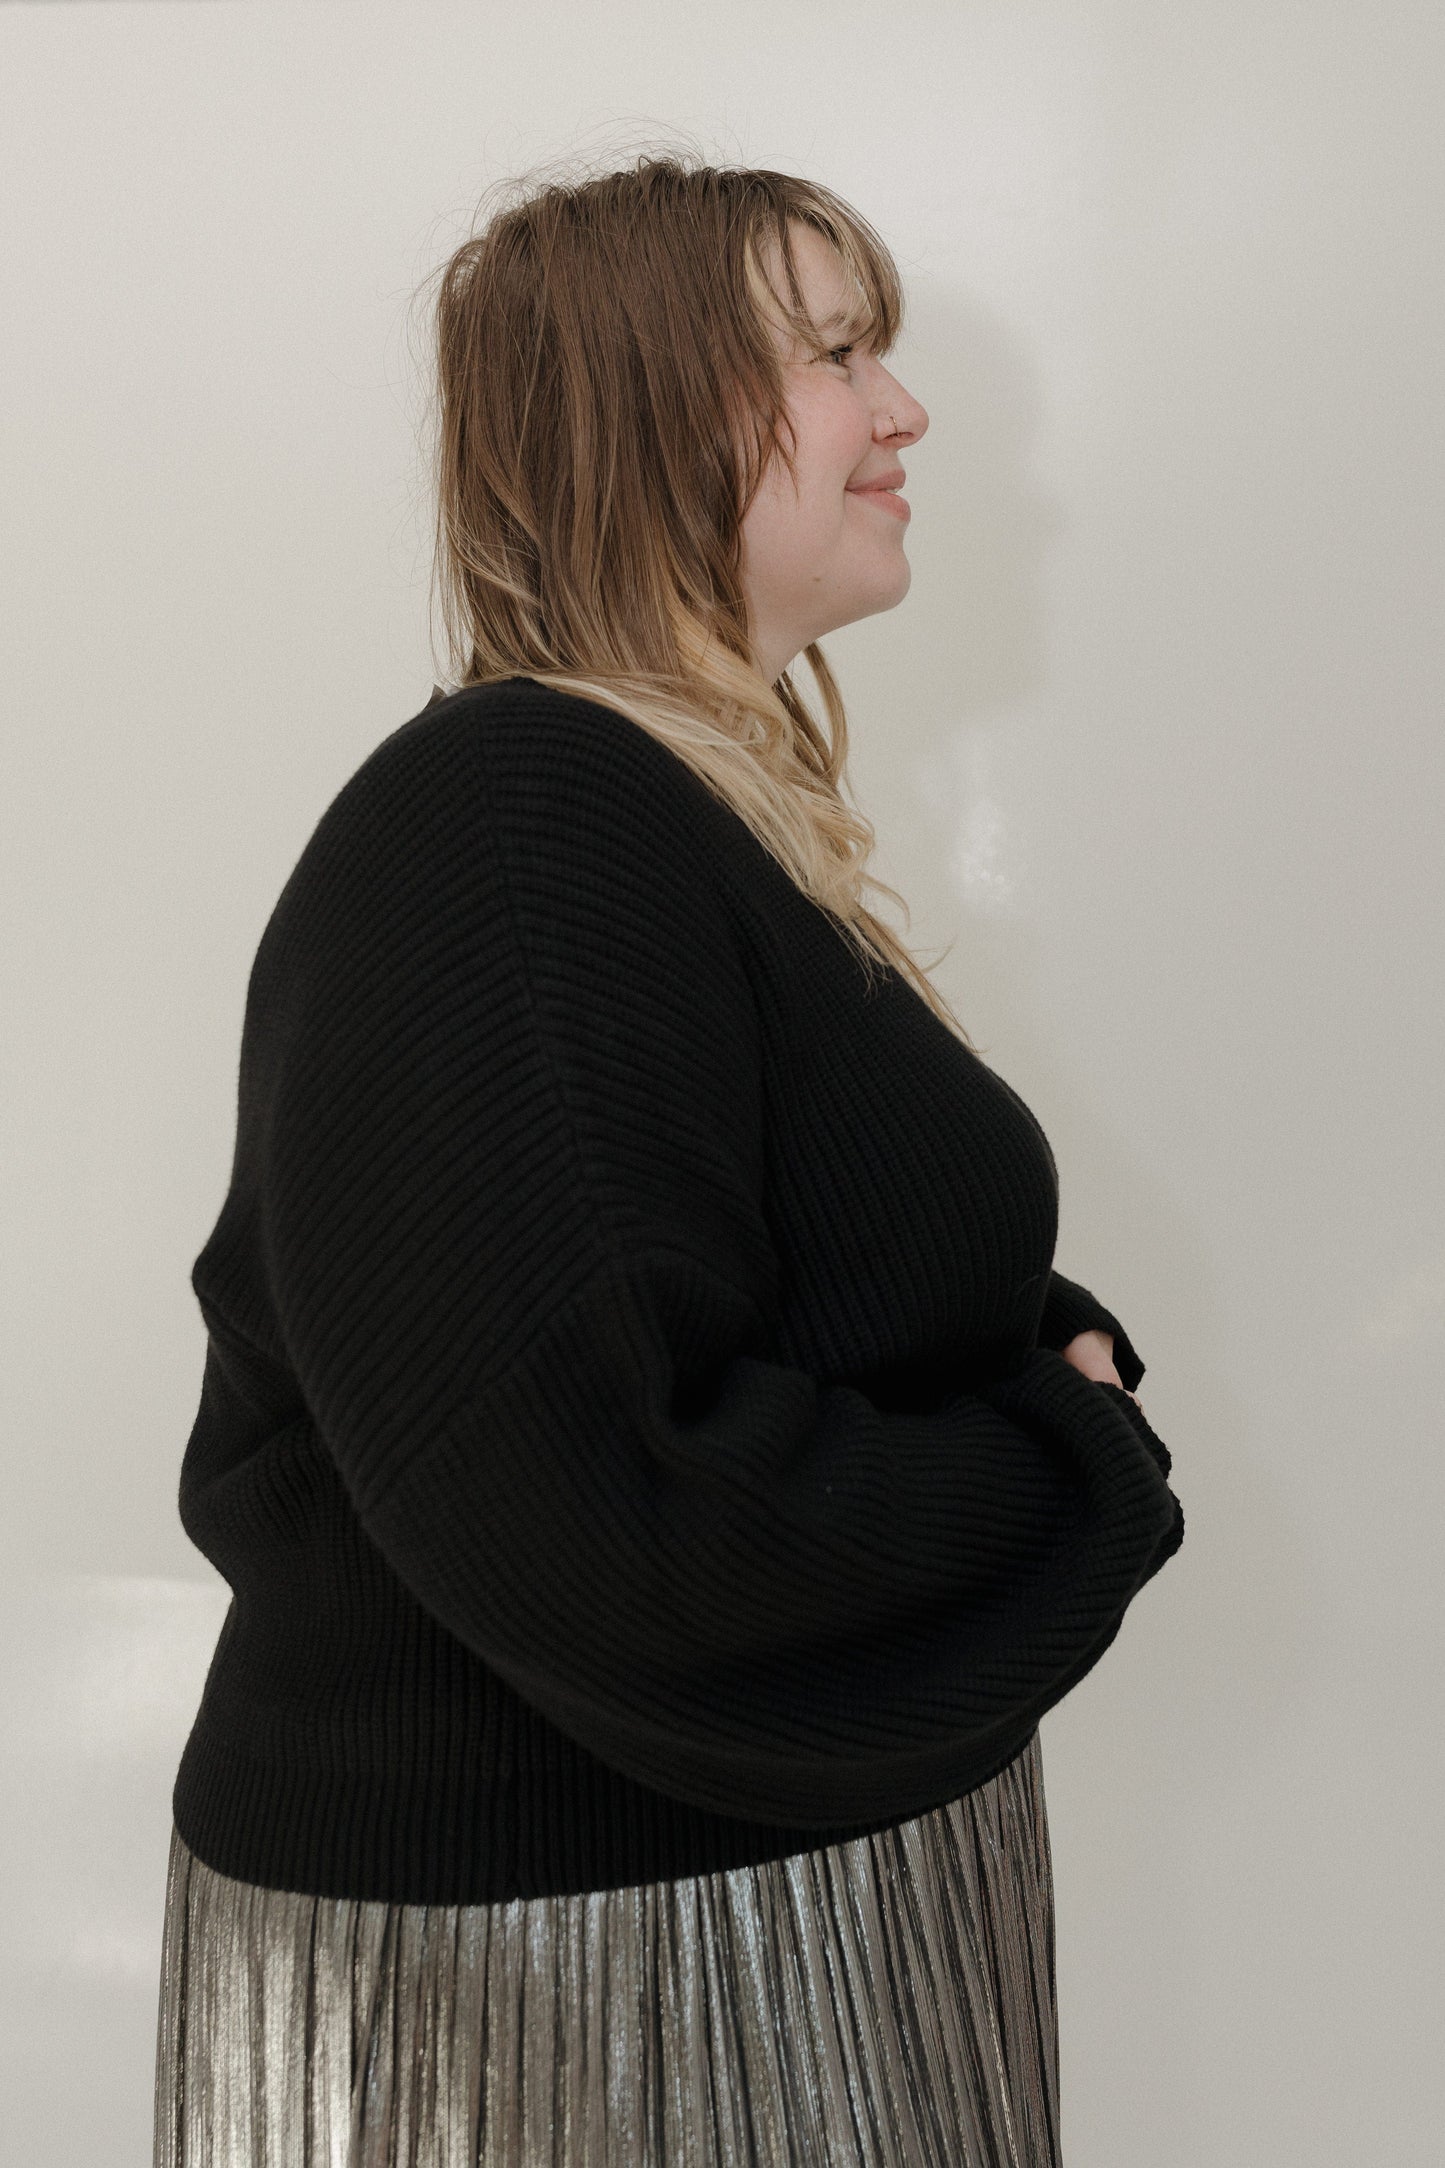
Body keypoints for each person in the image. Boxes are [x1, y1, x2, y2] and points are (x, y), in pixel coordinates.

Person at [152, 152, 1183, 2168]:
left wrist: (1029, 1366)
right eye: (832, 353)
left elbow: (806, 1268)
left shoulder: (670, 808)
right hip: (577, 1984)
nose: (900, 412)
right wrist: (1067, 1459)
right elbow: (589, 1501)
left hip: (705, 1923)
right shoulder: (519, 826)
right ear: (647, 413)